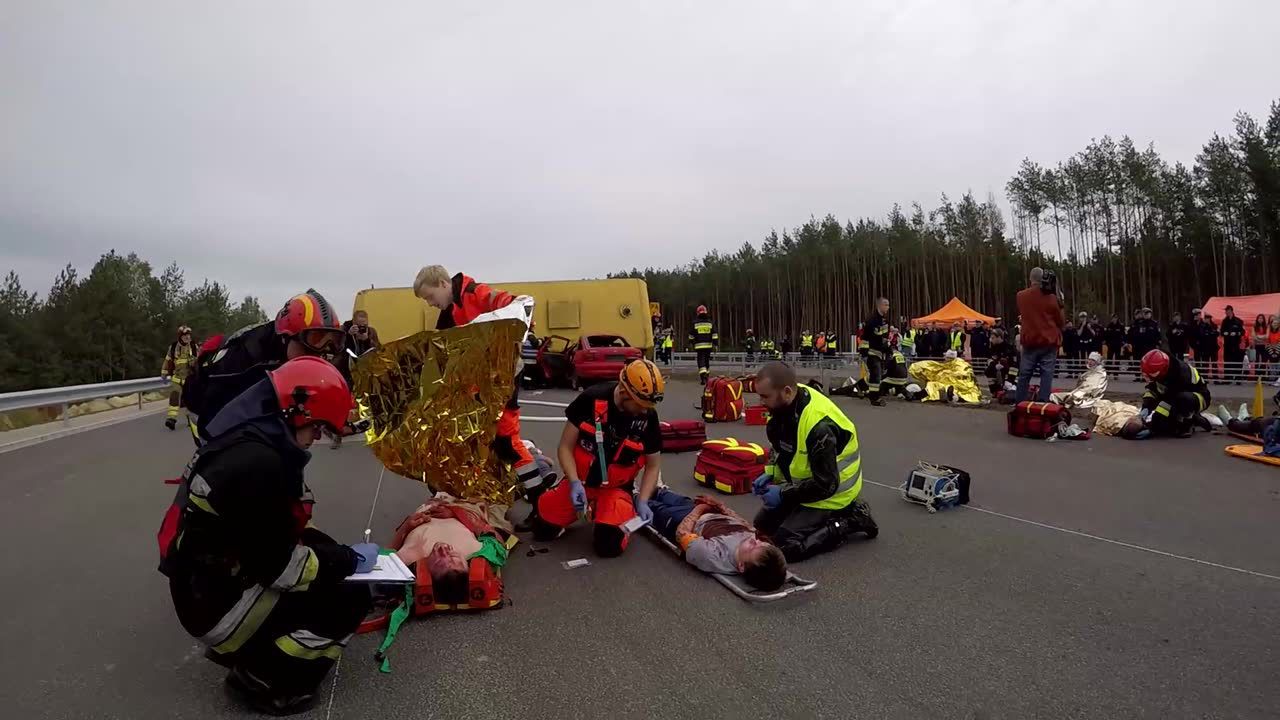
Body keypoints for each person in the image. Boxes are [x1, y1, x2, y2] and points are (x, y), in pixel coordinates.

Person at [158, 356, 373, 715]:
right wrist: (348, 562)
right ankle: (263, 679)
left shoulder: (251, 440)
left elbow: (277, 531)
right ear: (298, 412)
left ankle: (254, 651)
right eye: (318, 427)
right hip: (216, 606)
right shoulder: (260, 465)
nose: (317, 437)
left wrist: (332, 552)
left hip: (208, 586)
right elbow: (282, 569)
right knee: (349, 598)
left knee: (326, 558)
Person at [413, 264, 545, 524]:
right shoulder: (452, 310)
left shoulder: (477, 294)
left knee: (506, 440)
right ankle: (493, 492)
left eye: (430, 297)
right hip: (483, 385)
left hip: (501, 381)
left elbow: (514, 305)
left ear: (442, 284)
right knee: (481, 438)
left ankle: (540, 500)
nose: (430, 304)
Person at [533, 359, 664, 557]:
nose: (644, 411)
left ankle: (614, 513)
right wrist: (574, 482)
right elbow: (565, 447)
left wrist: (643, 501)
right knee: (541, 530)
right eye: (640, 405)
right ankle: (580, 509)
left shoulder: (648, 419)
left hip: (615, 489)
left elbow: (653, 466)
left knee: (609, 546)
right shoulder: (591, 399)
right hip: (581, 483)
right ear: (624, 393)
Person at [750, 362, 878, 562]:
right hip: (805, 486)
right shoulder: (783, 408)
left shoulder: (818, 427)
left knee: (784, 547)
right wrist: (770, 472)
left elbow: (826, 485)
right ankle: (832, 516)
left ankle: (849, 521)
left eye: (765, 396)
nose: (760, 402)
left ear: (786, 392)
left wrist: (783, 494)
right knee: (762, 528)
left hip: (833, 493)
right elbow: (782, 449)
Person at [184, 290, 348, 442]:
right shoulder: (248, 357)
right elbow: (228, 418)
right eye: (315, 339)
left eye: (332, 340)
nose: (319, 353)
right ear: (286, 336)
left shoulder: (290, 354)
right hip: (206, 409)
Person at [648, 488, 787, 590]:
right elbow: (742, 523)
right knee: (668, 495)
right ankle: (658, 491)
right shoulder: (754, 545)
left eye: (753, 547)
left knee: (652, 507)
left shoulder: (713, 555)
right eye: (760, 543)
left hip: (686, 520)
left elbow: (681, 534)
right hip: (708, 513)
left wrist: (701, 509)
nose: (755, 541)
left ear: (741, 566)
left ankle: (636, 496)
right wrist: (719, 506)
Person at [388, 493, 512, 604]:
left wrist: (406, 527)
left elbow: (382, 558)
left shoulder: (408, 558)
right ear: (466, 565)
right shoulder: (477, 552)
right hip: (467, 507)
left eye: (438, 560)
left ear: (428, 572)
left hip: (432, 505)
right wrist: (457, 513)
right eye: (454, 557)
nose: (443, 548)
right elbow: (496, 539)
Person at [1135, 349, 1212, 438]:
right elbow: (1152, 391)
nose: (1147, 377)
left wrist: (1153, 427)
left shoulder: (1180, 374)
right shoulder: (1162, 369)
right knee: (1165, 422)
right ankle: (1194, 418)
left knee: (1180, 403)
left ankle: (1187, 423)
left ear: (1162, 371)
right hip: (1175, 396)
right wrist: (1145, 408)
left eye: (1150, 374)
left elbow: (1169, 402)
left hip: (1199, 397)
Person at [1014, 267, 1064, 403]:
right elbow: (1060, 321)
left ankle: (1020, 403)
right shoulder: (1052, 298)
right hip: (1048, 341)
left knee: (1024, 374)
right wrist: (1058, 299)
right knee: (1046, 374)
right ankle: (1042, 403)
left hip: (1030, 341)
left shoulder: (1020, 296)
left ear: (1030, 279)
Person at [162, 326, 197, 431]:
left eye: (189, 335)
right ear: (180, 336)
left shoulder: (194, 347)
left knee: (189, 401)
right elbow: (167, 360)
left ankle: (191, 420)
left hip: (189, 379)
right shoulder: (173, 347)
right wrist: (163, 372)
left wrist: (194, 362)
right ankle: (171, 420)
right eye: (185, 335)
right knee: (174, 397)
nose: (187, 337)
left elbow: (199, 360)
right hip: (176, 379)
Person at [863, 297, 897, 407]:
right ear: (880, 306)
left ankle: (872, 393)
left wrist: (889, 351)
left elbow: (885, 339)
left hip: (881, 352)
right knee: (876, 373)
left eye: (888, 305)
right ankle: (874, 398)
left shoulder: (885, 321)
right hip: (871, 351)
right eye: (886, 305)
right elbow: (865, 338)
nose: (888, 307)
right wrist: (864, 354)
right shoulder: (871, 320)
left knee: (876, 375)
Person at [985, 327, 1019, 400]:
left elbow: (1015, 365)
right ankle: (995, 391)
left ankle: (1011, 388)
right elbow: (990, 359)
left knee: (1010, 390)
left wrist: (1010, 380)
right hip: (999, 372)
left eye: (993, 338)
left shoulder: (1009, 349)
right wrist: (994, 365)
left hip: (1010, 373)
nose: (991, 340)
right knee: (988, 371)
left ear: (999, 337)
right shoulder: (992, 348)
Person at [688, 305, 718, 385]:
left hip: (699, 346)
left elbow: (691, 335)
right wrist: (715, 344)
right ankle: (707, 376)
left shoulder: (695, 323)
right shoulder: (710, 323)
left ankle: (703, 377)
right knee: (706, 361)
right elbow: (714, 334)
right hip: (708, 346)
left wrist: (691, 343)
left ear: (698, 313)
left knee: (701, 362)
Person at [1129, 308, 1162, 380]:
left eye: (1148, 313)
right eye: (1145, 314)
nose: (1147, 315)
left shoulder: (1154, 323)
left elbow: (1158, 335)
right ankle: (1138, 376)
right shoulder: (1140, 323)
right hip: (1140, 346)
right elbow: (1135, 334)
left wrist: (1158, 343)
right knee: (1138, 361)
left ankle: (1147, 376)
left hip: (1150, 346)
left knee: (1148, 362)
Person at [1220, 305, 1245, 384]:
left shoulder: (1238, 320)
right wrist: (1225, 333)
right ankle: (1227, 378)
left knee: (1237, 361)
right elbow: (1221, 332)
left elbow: (1243, 332)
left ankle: (1238, 378)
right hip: (1227, 344)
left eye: (1228, 311)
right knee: (1227, 361)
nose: (1226, 312)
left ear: (1231, 311)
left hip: (1236, 344)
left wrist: (1237, 333)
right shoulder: (1224, 321)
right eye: (1226, 311)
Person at [1196, 313, 1221, 383]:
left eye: (1207, 318)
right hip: (1205, 347)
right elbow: (1203, 335)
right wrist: (1212, 333)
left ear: (1209, 319)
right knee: (1205, 364)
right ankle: (1205, 378)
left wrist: (1212, 333)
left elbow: (1216, 334)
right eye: (1205, 318)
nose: (1206, 320)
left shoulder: (1214, 325)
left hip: (1213, 347)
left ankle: (1215, 378)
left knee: (1214, 363)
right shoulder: (1202, 326)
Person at [1252, 314, 1269, 380]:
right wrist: (1262, 337)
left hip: (1264, 346)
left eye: (1262, 318)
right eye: (1259, 318)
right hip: (1257, 346)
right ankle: (1256, 376)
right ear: (1257, 319)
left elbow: (1267, 336)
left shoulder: (1266, 327)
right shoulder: (1254, 326)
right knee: (1256, 361)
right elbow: (1253, 336)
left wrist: (1258, 337)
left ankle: (1263, 376)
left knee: (1264, 361)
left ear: (1264, 319)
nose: (1260, 319)